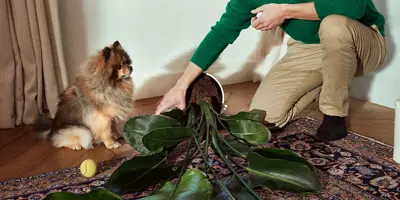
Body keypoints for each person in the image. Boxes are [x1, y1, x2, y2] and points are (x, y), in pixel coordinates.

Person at [155, 0, 387, 142]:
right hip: (309, 49)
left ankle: (334, 114)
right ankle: (328, 79)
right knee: (264, 118)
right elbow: (221, 33)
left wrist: (285, 11)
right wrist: (181, 85)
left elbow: (351, 6)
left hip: (362, 41)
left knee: (334, 24)